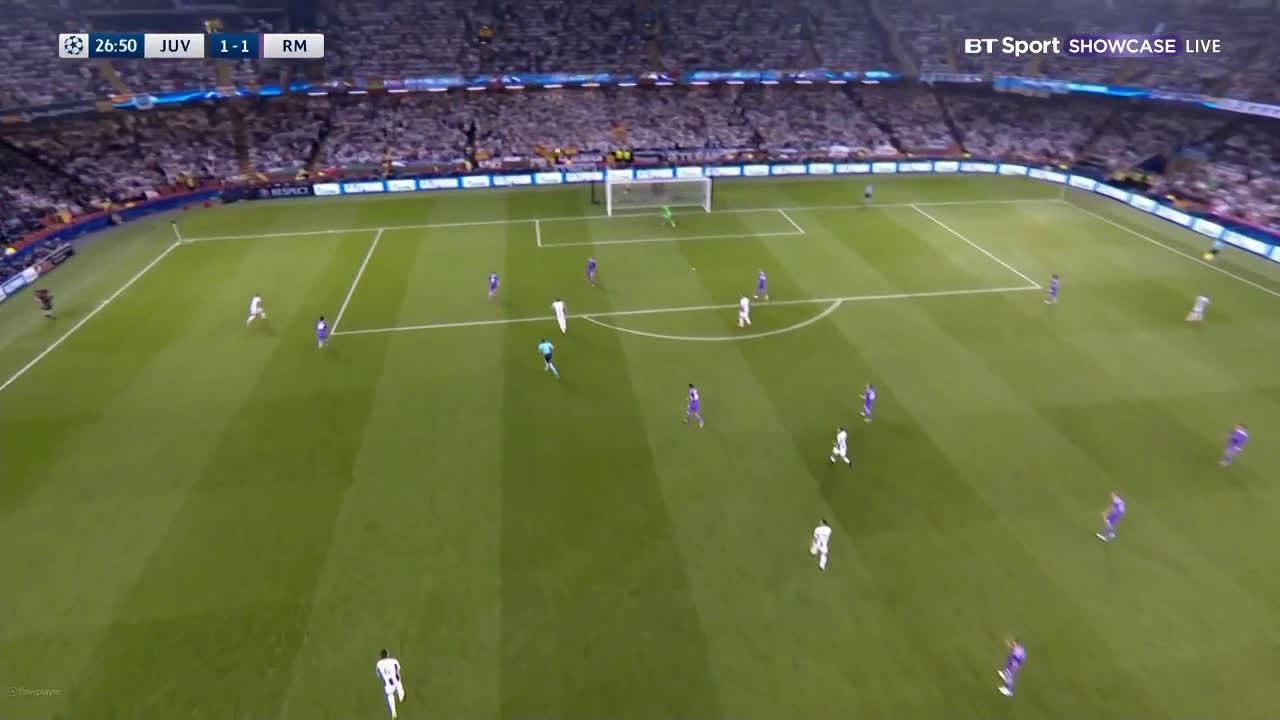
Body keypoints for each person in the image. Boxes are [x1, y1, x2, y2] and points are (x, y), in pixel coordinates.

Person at [374, 649, 404, 718]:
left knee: (390, 696)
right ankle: (401, 697)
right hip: (396, 681)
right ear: (387, 654)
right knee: (399, 686)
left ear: (380, 656)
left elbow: (378, 674)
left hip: (388, 684)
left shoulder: (378, 664)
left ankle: (393, 712)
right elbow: (398, 669)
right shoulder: (393, 660)